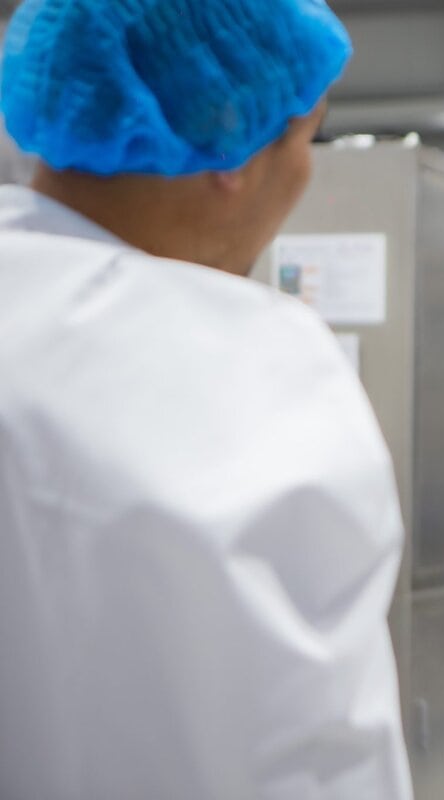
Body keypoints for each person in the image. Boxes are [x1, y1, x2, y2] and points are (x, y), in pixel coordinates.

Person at [0, 2, 412, 798]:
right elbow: (315, 753)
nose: (305, 171)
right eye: (305, 139)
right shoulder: (261, 373)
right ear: (232, 151)